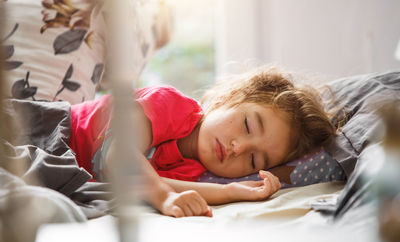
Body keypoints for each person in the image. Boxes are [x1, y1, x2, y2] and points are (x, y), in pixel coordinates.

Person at [68, 66, 336, 218]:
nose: (238, 148)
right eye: (247, 126)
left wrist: (233, 191)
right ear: (228, 98)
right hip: (52, 138)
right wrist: (165, 198)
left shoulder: (196, 172)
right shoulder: (170, 104)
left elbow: (147, 183)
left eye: (253, 160)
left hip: (68, 178)